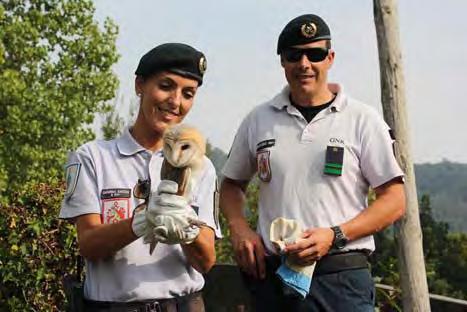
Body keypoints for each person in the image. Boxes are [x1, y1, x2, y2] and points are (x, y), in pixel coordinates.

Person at [220, 14, 406, 311]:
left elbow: (395, 200)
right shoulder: (258, 120)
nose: (304, 63)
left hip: (342, 279)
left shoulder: (362, 119)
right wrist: (239, 226)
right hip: (275, 279)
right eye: (294, 55)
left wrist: (335, 235)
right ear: (282, 61)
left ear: (330, 58)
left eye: (315, 54)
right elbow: (231, 184)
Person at [59, 43, 221, 312]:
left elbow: (205, 262)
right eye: (166, 86)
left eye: (188, 93)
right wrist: (143, 221)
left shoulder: (200, 165)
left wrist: (186, 229)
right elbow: (88, 244)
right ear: (139, 85)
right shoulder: (93, 157)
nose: (175, 101)